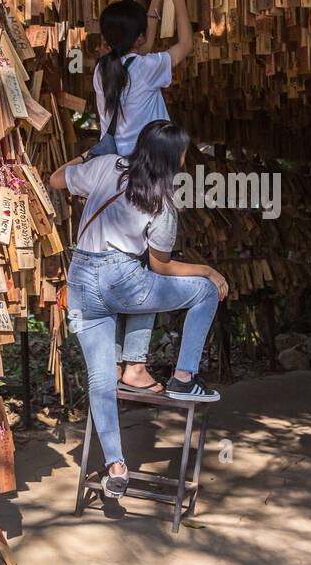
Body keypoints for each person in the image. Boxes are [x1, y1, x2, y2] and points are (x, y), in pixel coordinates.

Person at [51, 120, 229, 498]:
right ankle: (184, 378)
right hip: (123, 282)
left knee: (101, 380)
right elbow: (162, 265)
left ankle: (116, 465)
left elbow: (55, 180)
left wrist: (91, 152)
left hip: (81, 278)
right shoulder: (162, 204)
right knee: (204, 293)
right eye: (183, 152)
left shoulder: (107, 165)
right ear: (174, 158)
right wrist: (207, 270)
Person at [85, 0, 193, 396]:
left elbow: (140, 43)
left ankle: (113, 366)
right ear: (139, 37)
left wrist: (152, 1)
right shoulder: (147, 68)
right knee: (148, 267)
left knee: (121, 263)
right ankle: (135, 366)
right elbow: (185, 45)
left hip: (115, 174)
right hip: (147, 174)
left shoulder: (104, 71)